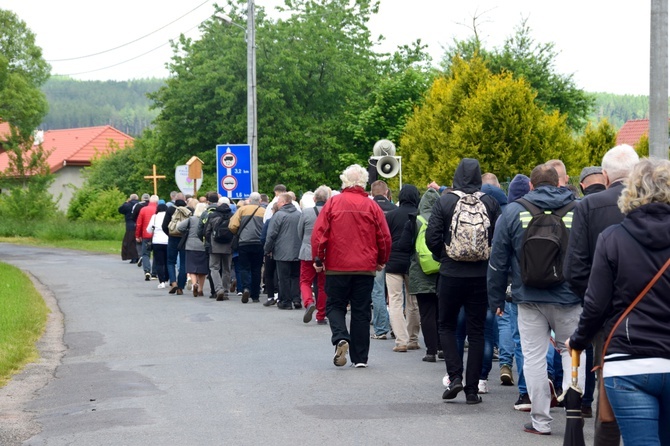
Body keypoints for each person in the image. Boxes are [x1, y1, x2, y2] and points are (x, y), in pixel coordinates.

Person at [566, 157, 670, 446]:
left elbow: (596, 304)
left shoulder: (612, 238)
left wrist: (578, 340)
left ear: (631, 191)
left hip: (627, 364)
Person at [487, 163, 584, 435]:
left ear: (531, 185)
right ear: (559, 184)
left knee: (534, 358)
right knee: (572, 351)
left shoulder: (513, 212)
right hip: (569, 297)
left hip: (528, 298)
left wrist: (495, 298)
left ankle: (541, 421)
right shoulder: (578, 210)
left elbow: (497, 261)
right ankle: (574, 410)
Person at [564, 143, 639, 440]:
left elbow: (574, 269)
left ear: (605, 176)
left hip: (607, 318)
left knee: (607, 398)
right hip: (657, 315)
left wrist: (597, 298)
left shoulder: (588, 206)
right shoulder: (655, 207)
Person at [426, 158, 501, 405]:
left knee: (446, 325)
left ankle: (454, 376)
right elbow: (497, 238)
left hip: (450, 274)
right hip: (480, 275)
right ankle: (472, 390)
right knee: (477, 331)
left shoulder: (445, 200)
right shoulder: (489, 202)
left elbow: (432, 237)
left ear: (457, 175)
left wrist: (444, 256)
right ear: (479, 176)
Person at [312, 164, 392, 368]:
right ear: (363, 182)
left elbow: (320, 235)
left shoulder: (333, 203)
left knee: (335, 305)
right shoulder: (372, 206)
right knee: (361, 311)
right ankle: (360, 358)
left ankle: (340, 336)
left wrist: (318, 259)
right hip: (364, 267)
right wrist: (382, 259)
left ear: (344, 182)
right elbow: (384, 237)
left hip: (336, 265)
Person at [397, 186, 441, 361]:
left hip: (421, 273)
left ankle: (431, 351)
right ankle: (443, 347)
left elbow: (403, 246)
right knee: (442, 312)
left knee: (427, 313)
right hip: (441, 272)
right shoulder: (443, 220)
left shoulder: (415, 221)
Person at [385, 184, 421, 353]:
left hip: (393, 262)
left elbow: (385, 238)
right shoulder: (419, 215)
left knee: (395, 301)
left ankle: (401, 341)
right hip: (413, 263)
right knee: (413, 302)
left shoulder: (391, 215)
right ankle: (413, 338)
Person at [297, 185, 331, 324]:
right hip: (325, 253)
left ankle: (309, 302)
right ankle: (321, 316)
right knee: (322, 284)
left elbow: (300, 232)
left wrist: (306, 243)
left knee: (305, 281)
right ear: (327, 199)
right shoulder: (330, 212)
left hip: (307, 251)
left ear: (314, 198)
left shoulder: (306, 212)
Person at [264, 193, 302, 310]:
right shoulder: (299, 214)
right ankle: (296, 299)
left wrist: (267, 249)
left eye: (279, 201)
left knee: (283, 277)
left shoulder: (279, 215)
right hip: (297, 250)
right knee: (295, 276)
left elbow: (271, 234)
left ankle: (286, 301)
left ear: (284, 202)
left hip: (282, 251)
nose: (277, 203)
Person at [369, 180, 396, 340]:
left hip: (374, 256)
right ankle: (396, 326)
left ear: (372, 193)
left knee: (377, 291)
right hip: (393, 255)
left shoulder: (368, 208)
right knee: (395, 293)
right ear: (386, 193)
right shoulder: (395, 209)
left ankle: (380, 329)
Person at [229, 192, 266, 303]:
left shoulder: (242, 210)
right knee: (256, 268)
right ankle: (255, 295)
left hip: (244, 242)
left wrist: (239, 233)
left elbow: (232, 226)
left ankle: (246, 288)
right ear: (260, 201)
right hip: (259, 243)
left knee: (244, 268)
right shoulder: (264, 211)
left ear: (249, 200)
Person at [204, 197, 234, 301]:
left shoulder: (213, 215)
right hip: (228, 246)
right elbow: (235, 230)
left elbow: (207, 231)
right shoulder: (232, 215)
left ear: (218, 204)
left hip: (215, 246)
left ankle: (218, 289)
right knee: (227, 269)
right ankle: (225, 291)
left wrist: (210, 240)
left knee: (214, 268)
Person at [177, 202, 209, 297]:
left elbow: (179, 227)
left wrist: (187, 232)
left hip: (191, 245)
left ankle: (194, 284)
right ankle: (200, 289)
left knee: (191, 267)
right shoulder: (207, 219)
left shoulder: (191, 219)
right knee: (202, 269)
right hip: (203, 245)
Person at [162, 193, 188, 295]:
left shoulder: (170, 209)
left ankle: (173, 282)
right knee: (183, 263)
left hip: (173, 238)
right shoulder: (189, 210)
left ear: (175, 199)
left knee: (170, 262)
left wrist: (170, 234)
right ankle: (180, 287)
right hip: (184, 239)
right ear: (185, 200)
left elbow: (164, 225)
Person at [135, 195, 159, 281]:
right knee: (156, 254)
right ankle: (154, 273)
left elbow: (139, 224)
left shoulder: (143, 209)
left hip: (146, 235)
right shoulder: (159, 210)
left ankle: (147, 271)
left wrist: (138, 235)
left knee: (145, 254)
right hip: (156, 235)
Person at [147, 203, 169, 288]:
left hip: (157, 241)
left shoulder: (155, 217)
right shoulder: (168, 216)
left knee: (159, 263)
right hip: (167, 240)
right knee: (168, 262)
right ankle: (167, 279)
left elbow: (149, 229)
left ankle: (162, 281)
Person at [118, 193, 139, 263]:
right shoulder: (139, 205)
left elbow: (120, 209)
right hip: (138, 225)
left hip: (130, 225)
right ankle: (138, 256)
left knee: (130, 242)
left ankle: (133, 257)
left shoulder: (128, 205)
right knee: (138, 241)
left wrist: (126, 202)